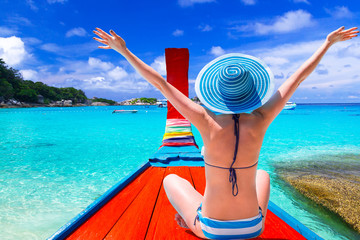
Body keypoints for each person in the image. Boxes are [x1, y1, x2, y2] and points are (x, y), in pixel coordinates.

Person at [93, 26, 358, 239]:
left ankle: (190, 221)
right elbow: (298, 78)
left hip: (212, 230)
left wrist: (124, 51)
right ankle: (205, 217)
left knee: (171, 180)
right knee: (262, 173)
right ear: (252, 92)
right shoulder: (262, 118)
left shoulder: (204, 120)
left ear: (216, 93)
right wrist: (327, 43)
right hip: (254, 228)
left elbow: (160, 84)